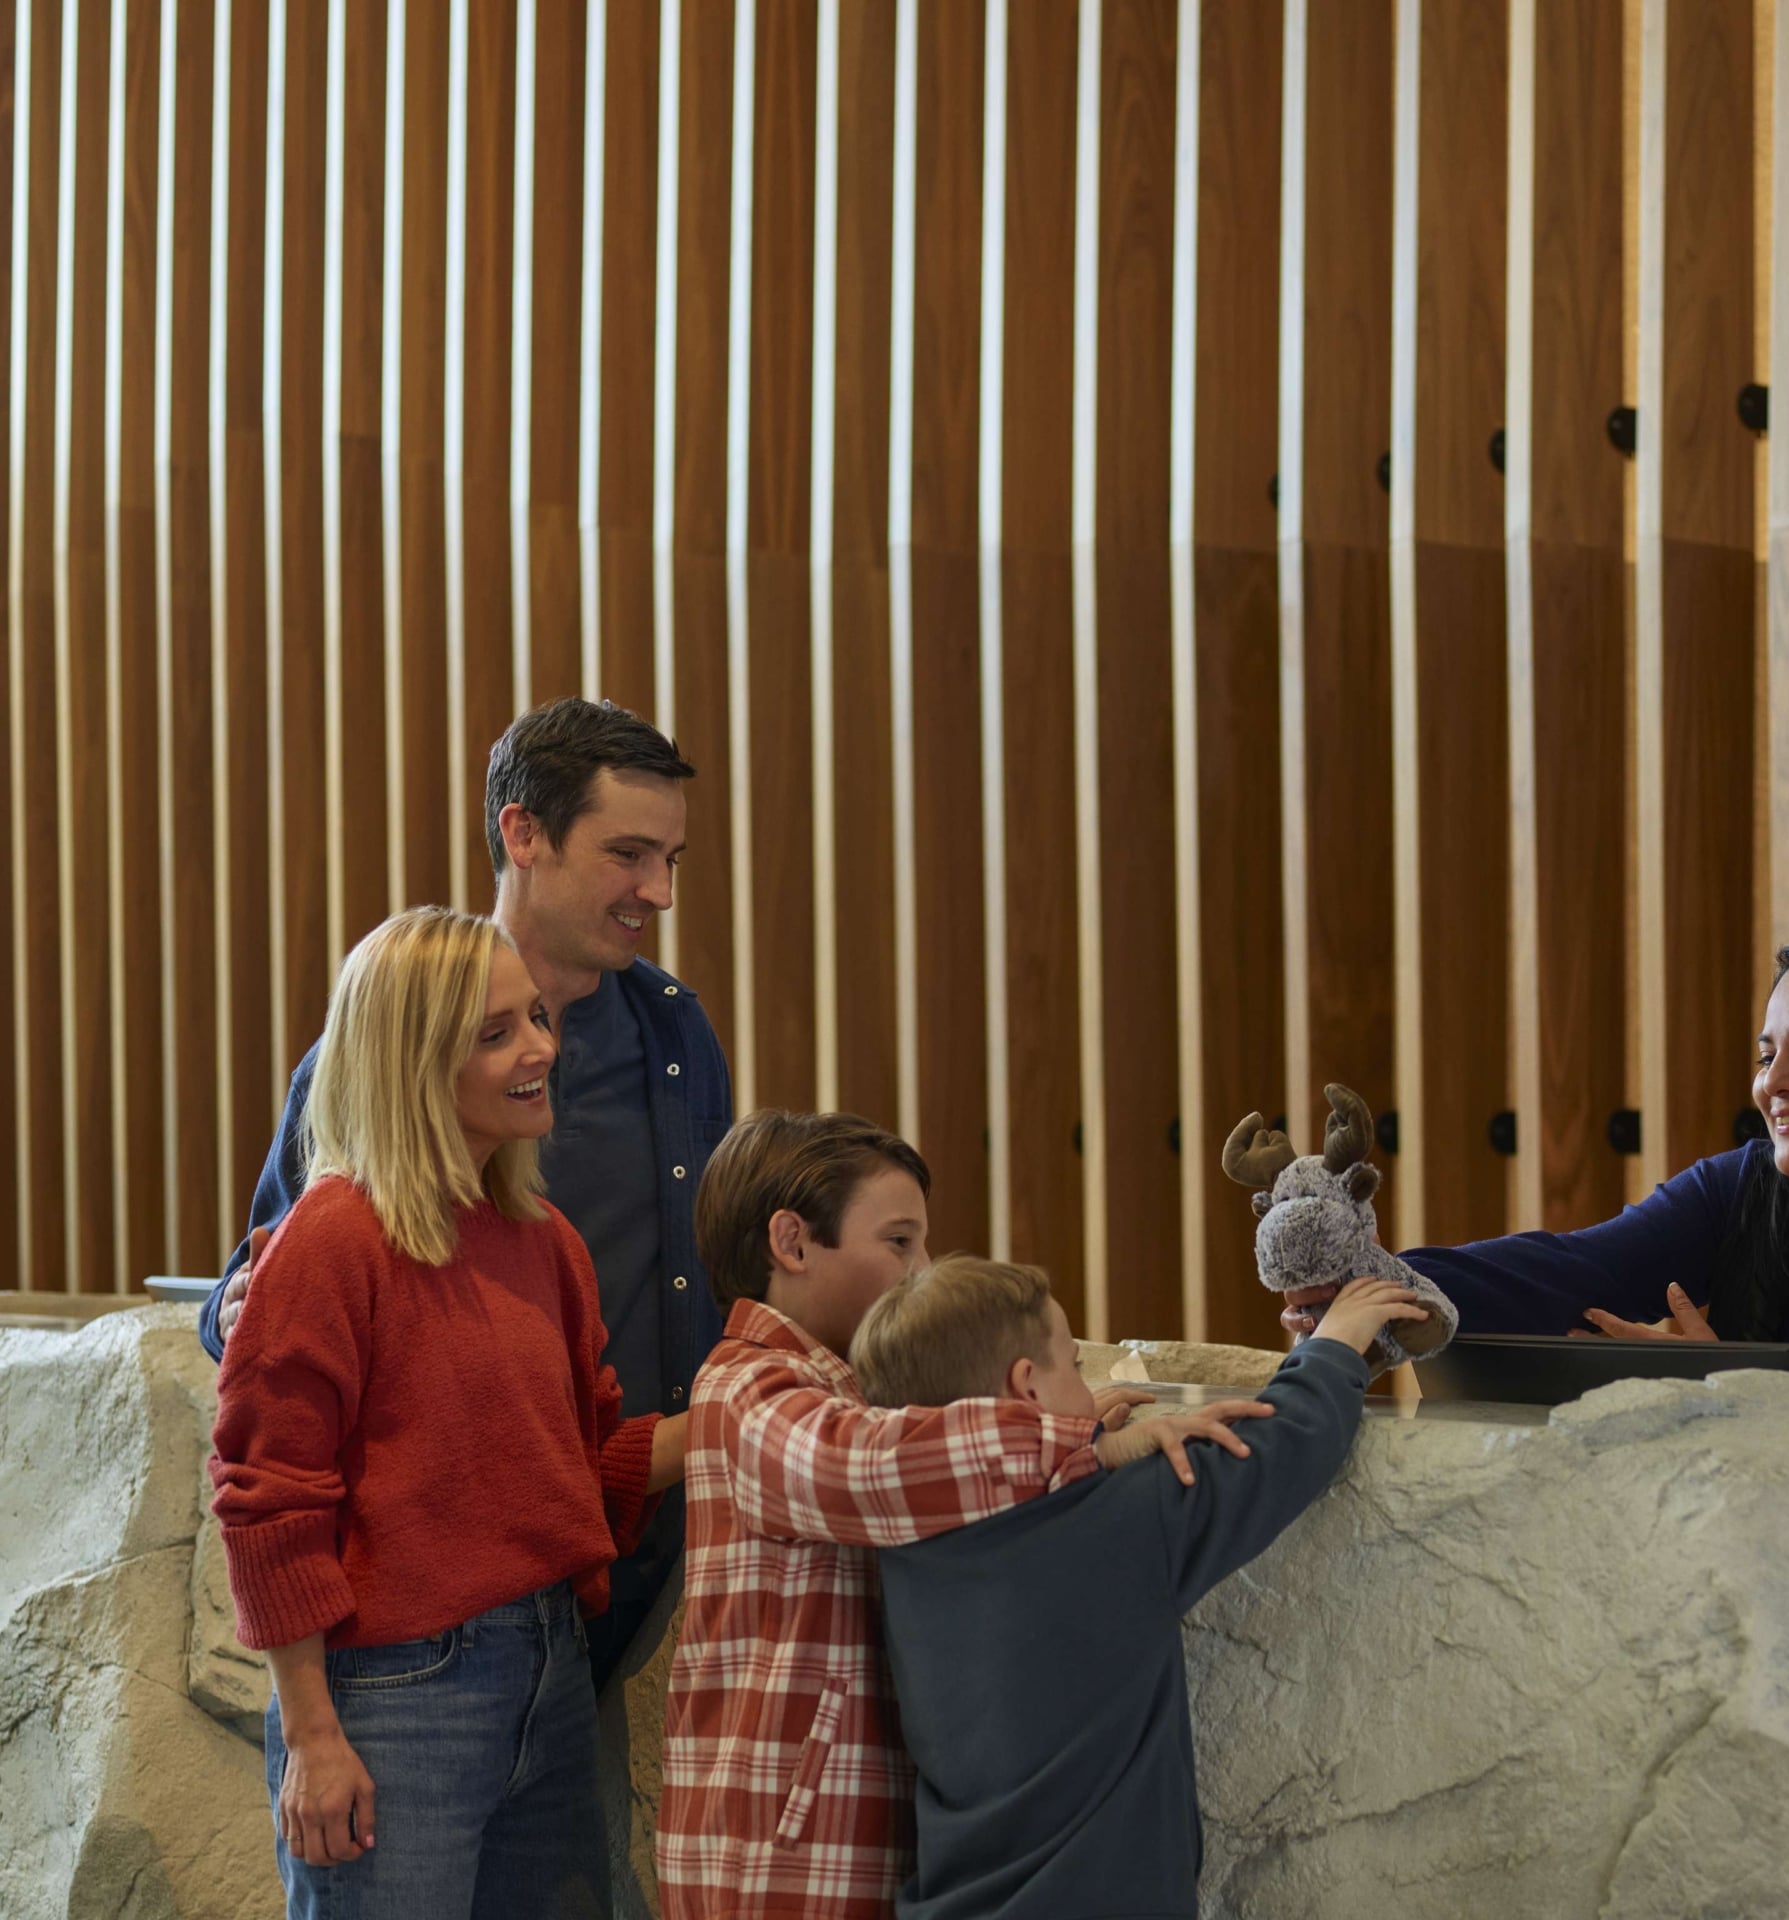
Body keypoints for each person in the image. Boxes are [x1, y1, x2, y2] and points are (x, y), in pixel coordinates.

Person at [197, 699, 726, 1902]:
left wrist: (764, 1413)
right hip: (399, 1674)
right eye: (497, 1033)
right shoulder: (337, 1226)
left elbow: (581, 1451)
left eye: (536, 1024)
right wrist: (315, 1731)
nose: (538, 1049)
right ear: (524, 833)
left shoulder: (550, 1228)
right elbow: (268, 1480)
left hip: (562, 1634)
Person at [655, 1112, 1280, 1920]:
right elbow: (870, 1467)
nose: (920, 1275)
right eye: (899, 1243)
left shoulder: (848, 1389)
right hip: (778, 1860)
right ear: (792, 1242)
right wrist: (1077, 1437)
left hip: (854, 1845)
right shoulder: (746, 1390)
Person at [1281, 930, 1789, 1391]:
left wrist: (1734, 1386)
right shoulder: (1747, 1185)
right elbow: (1571, 1270)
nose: (1772, 1084)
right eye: (1763, 1054)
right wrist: (1375, 1287)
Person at [851, 1260, 1426, 1920]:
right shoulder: (1120, 1519)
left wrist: (1080, 1441)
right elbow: (1282, 1443)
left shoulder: (906, 1545)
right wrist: (1336, 1341)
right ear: (1029, 1389)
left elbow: (986, 1477)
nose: (1086, 1384)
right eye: (1072, 1364)